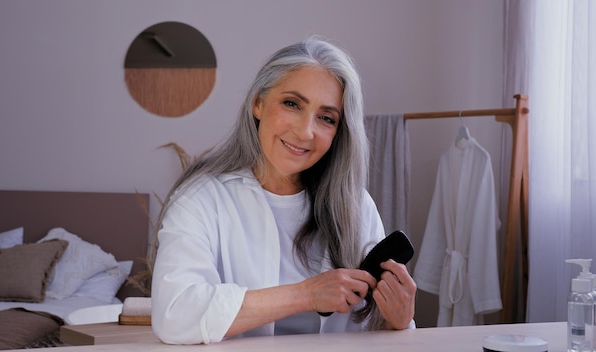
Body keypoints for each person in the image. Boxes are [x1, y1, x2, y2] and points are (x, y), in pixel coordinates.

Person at [151, 36, 417, 345]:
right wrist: (306, 295)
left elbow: (372, 334)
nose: (305, 131)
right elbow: (174, 316)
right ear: (258, 103)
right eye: (292, 104)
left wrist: (398, 322)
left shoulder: (356, 206)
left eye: (326, 118)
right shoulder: (200, 200)